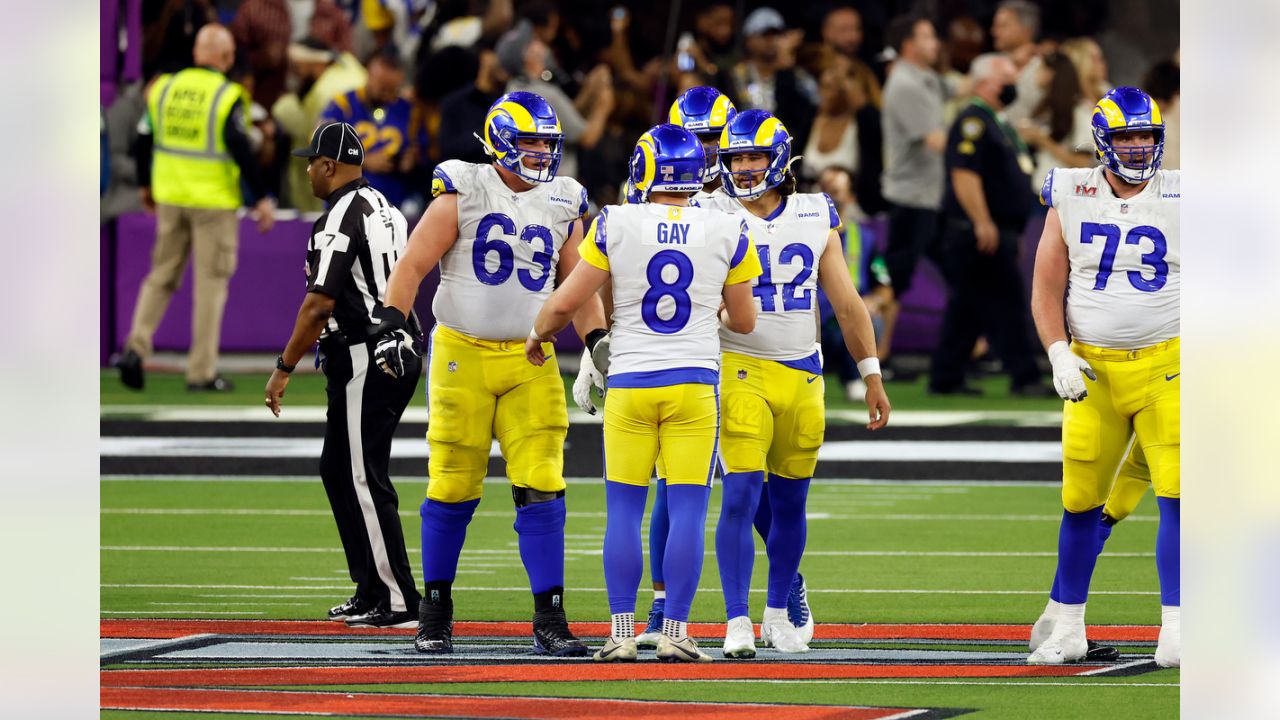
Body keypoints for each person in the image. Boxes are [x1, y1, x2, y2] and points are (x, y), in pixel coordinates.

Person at [372, 91, 607, 656]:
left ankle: (550, 616)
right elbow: (414, 263)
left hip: (533, 356)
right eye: (529, 141)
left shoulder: (564, 199)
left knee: (544, 482)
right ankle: (436, 611)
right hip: (462, 355)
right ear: (500, 139)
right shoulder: (463, 185)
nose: (539, 152)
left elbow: (578, 283)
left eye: (547, 143)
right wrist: (390, 325)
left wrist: (598, 343)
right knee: (452, 479)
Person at [527, 123, 761, 663]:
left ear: (645, 169)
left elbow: (566, 302)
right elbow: (745, 320)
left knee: (624, 512)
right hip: (695, 385)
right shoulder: (727, 226)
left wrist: (537, 336)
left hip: (631, 382)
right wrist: (712, 311)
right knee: (686, 511)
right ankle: (676, 630)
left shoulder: (616, 220)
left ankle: (622, 632)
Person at [700, 109, 890, 657]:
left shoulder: (813, 212)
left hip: (803, 371)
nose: (742, 166)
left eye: (754, 156)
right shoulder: (709, 209)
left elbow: (847, 302)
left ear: (779, 158)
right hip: (738, 366)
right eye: (735, 157)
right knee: (738, 495)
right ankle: (737, 619)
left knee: (790, 505)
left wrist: (870, 373)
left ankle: (778, 611)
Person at [1026, 87, 1179, 669]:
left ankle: (1179, 624)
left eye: (1145, 136)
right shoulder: (1071, 191)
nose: (1138, 148)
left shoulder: (1189, 194)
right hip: (1093, 370)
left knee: (1181, 498)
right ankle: (1067, 625)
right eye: (1126, 137)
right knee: (1080, 502)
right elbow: (1045, 287)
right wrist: (1058, 353)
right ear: (1102, 143)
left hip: (1170, 366)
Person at [263, 121, 422, 628]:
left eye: (311, 161)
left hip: (366, 354)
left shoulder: (338, 217)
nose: (307, 170)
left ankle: (397, 599)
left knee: (361, 474)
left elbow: (319, 303)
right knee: (339, 469)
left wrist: (284, 366)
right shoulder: (386, 207)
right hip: (395, 347)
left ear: (329, 166)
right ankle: (371, 586)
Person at [115, 24, 276, 392]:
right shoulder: (227, 94)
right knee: (210, 286)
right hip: (213, 203)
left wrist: (145, 185)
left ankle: (136, 348)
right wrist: (263, 197)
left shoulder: (164, 88)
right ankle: (201, 371)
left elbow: (144, 138)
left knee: (160, 276)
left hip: (170, 196)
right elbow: (239, 145)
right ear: (225, 57)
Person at [928, 54, 1048, 397]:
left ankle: (946, 376)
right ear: (984, 83)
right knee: (1005, 302)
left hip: (995, 229)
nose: (1012, 86)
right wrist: (982, 221)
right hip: (976, 231)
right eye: (1006, 79)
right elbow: (964, 173)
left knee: (968, 306)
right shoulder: (974, 122)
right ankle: (1024, 376)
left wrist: (1010, 228)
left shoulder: (997, 121)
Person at [879, 14, 946, 373]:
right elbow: (937, 141)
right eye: (927, 36)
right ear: (909, 44)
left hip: (929, 196)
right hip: (910, 198)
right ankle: (873, 356)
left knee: (962, 272)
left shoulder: (927, 79)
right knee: (892, 279)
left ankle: (970, 349)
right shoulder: (904, 84)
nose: (935, 42)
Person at [320, 47, 424, 208]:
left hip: (393, 203)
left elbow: (421, 148)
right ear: (369, 74)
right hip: (346, 201)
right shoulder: (343, 105)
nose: (387, 95)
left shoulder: (408, 110)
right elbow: (321, 147)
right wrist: (364, 161)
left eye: (392, 90)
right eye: (382, 87)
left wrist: (412, 158)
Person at [271, 37, 367, 211]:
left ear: (313, 63)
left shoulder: (326, 94)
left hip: (338, 185)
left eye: (297, 66)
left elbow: (326, 148)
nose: (294, 73)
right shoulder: (349, 64)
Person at [1016, 51, 1095, 193]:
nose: (1035, 73)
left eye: (1040, 68)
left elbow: (1083, 162)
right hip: (1033, 187)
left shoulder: (1080, 113)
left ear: (1051, 73)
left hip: (1060, 195)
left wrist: (1042, 140)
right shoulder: (1044, 106)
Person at [435, 38, 510, 165]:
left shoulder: (512, 105)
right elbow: (447, 152)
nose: (506, 62)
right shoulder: (454, 103)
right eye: (501, 55)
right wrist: (490, 133)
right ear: (485, 56)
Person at [990, 0, 1043, 125]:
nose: (994, 32)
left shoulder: (1044, 67)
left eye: (1002, 26)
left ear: (1026, 30)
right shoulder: (985, 63)